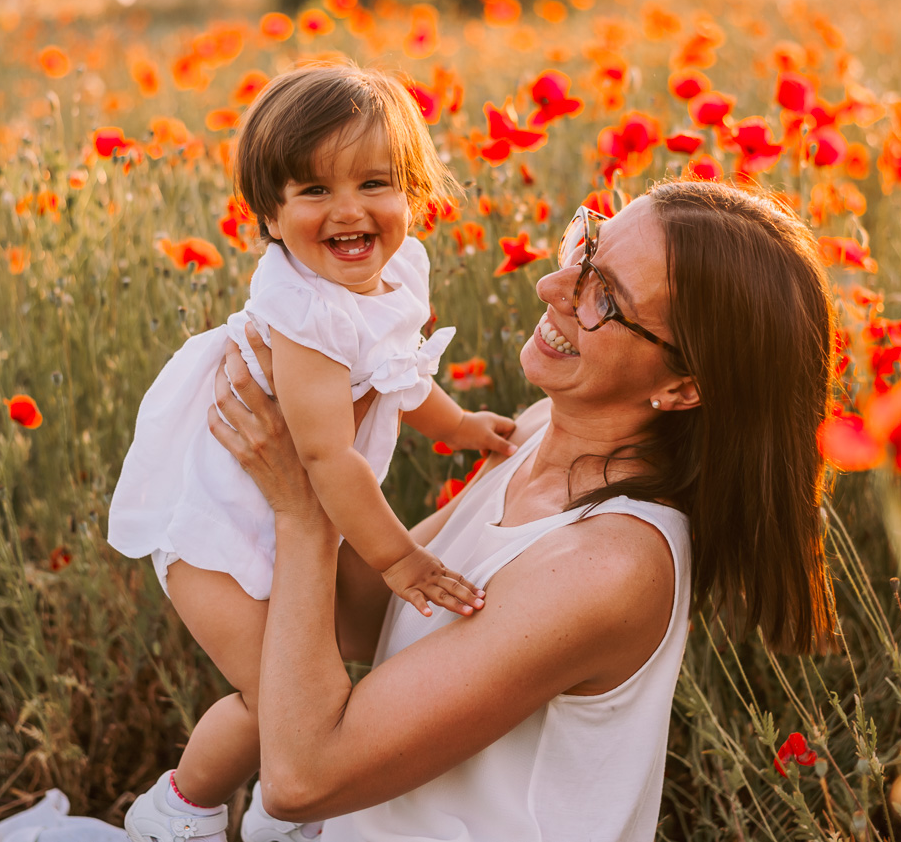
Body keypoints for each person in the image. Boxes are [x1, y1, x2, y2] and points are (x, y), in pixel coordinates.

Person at [205, 181, 840, 841]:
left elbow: (301, 780)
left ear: (683, 387)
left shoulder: (611, 562)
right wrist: (325, 425)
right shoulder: (539, 430)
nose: (554, 287)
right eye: (586, 246)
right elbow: (360, 617)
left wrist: (303, 508)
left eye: (605, 298)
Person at [107, 64, 518, 842]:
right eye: (314, 191)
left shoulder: (392, 272)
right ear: (268, 212)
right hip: (213, 529)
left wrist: (459, 425)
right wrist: (398, 559)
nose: (350, 210)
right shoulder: (302, 313)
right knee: (274, 692)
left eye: (375, 182)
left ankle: (278, 808)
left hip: (291, 515)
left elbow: (398, 372)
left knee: (324, 674)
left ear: (416, 193)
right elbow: (326, 460)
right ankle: (178, 809)